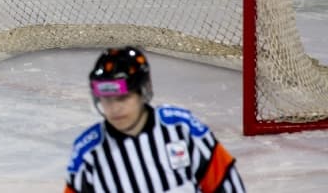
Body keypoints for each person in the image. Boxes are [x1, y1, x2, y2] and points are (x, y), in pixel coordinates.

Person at [64, 46, 246, 193]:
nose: (114, 108)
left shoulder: (182, 129)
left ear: (142, 93)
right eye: (106, 100)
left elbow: (224, 182)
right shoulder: (88, 153)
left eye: (123, 98)